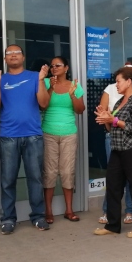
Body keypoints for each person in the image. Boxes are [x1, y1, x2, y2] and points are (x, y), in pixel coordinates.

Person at [0, 44, 51, 234]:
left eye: (17, 53)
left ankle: (38, 216)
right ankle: (8, 219)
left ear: (23, 57)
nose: (13, 55)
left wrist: (41, 80)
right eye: (9, 53)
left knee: (35, 178)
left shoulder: (34, 77)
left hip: (33, 136)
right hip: (8, 136)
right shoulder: (1, 79)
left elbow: (43, 103)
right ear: (5, 59)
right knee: (8, 180)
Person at [93, 67, 132, 238]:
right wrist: (106, 118)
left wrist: (114, 120)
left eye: (118, 81)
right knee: (113, 187)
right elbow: (111, 127)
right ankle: (112, 225)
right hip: (117, 149)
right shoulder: (119, 102)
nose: (116, 84)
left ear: (128, 81)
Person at [42, 56, 85, 222]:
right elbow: (42, 105)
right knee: (50, 172)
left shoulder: (74, 85)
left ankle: (69, 210)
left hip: (69, 133)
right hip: (48, 132)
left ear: (66, 68)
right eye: (52, 66)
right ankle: (48, 211)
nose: (54, 68)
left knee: (67, 171)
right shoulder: (45, 83)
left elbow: (80, 110)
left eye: (58, 65)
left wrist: (73, 94)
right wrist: (50, 88)